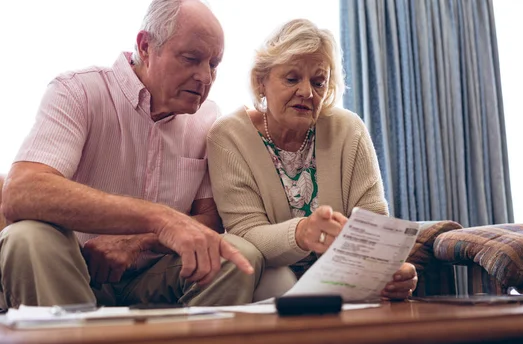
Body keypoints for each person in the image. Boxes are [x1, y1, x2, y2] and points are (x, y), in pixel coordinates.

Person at [0, 0, 264, 309]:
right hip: (74, 269)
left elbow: (208, 218)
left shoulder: (208, 118)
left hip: (154, 275)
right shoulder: (78, 91)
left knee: (236, 255)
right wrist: (159, 218)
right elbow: (22, 191)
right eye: (191, 59)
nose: (205, 77)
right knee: (27, 238)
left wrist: (139, 241)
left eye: (214, 65)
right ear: (146, 45)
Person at [207, 19, 417, 301]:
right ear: (261, 82)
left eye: (318, 82)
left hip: (343, 278)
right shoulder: (228, 136)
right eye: (292, 79)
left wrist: (393, 271)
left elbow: (373, 221)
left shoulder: (349, 129)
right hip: (271, 280)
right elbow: (245, 233)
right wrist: (302, 233)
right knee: (277, 279)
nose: (307, 92)